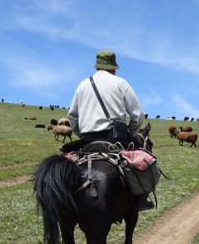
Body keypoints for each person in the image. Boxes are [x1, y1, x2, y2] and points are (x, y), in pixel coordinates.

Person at [65, 49, 153, 210]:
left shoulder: (83, 85)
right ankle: (141, 197)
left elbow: (72, 117)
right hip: (115, 138)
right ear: (114, 68)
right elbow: (138, 116)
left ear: (97, 66)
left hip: (86, 139)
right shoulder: (121, 83)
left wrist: (82, 133)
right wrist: (131, 131)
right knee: (142, 161)